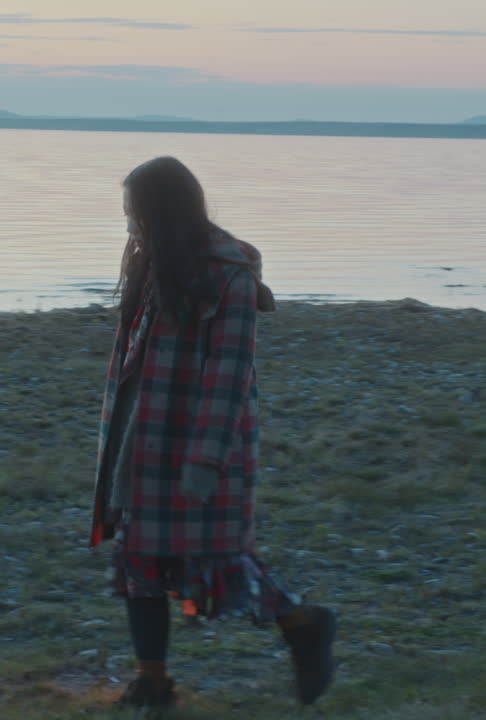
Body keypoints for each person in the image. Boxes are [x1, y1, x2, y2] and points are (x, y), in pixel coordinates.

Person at [89, 156, 337, 707]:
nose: (129, 224)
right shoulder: (152, 263)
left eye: (135, 213)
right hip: (142, 442)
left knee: (220, 559)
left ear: (164, 212)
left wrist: (204, 461)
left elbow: (229, 375)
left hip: (200, 443)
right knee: (139, 559)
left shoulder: (229, 277)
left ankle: (305, 625)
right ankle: (152, 682)